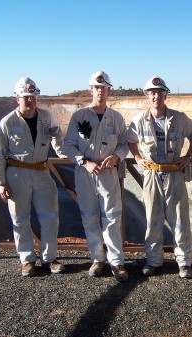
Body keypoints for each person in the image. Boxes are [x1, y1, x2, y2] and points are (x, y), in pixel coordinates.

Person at [126, 76, 192, 279]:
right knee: (152, 220)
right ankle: (154, 261)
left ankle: (184, 262)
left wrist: (188, 156)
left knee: (180, 220)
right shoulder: (139, 120)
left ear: (165, 95)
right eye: (152, 93)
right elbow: (130, 140)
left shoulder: (178, 118)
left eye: (159, 92)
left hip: (174, 174)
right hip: (151, 175)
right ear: (147, 96)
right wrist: (137, 157)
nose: (156, 96)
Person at [0, 77, 66, 277]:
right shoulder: (8, 122)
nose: (30, 100)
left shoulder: (46, 116)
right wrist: (1, 182)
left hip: (42, 172)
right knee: (20, 218)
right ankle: (27, 260)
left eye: (33, 96)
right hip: (17, 174)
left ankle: (49, 258)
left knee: (50, 217)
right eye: (26, 97)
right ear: (17, 98)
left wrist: (60, 151)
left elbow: (56, 135)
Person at [64, 71, 129, 282]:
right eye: (96, 87)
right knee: (89, 216)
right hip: (85, 173)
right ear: (91, 90)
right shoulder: (79, 117)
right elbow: (69, 145)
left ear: (109, 90)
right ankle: (97, 258)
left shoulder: (116, 118)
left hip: (108, 174)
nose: (100, 91)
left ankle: (117, 262)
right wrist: (85, 161)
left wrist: (117, 157)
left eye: (104, 87)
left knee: (111, 217)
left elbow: (124, 143)